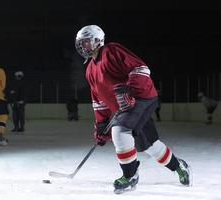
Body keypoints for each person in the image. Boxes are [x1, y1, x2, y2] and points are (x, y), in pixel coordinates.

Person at [75, 25, 192, 194]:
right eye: (81, 43)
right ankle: (179, 166)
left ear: (97, 40)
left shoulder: (111, 50)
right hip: (126, 107)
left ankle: (130, 175)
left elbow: (141, 68)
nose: (82, 46)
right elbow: (99, 100)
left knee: (120, 130)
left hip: (141, 97)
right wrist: (101, 125)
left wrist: (129, 89)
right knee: (150, 145)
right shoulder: (90, 70)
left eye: (85, 42)